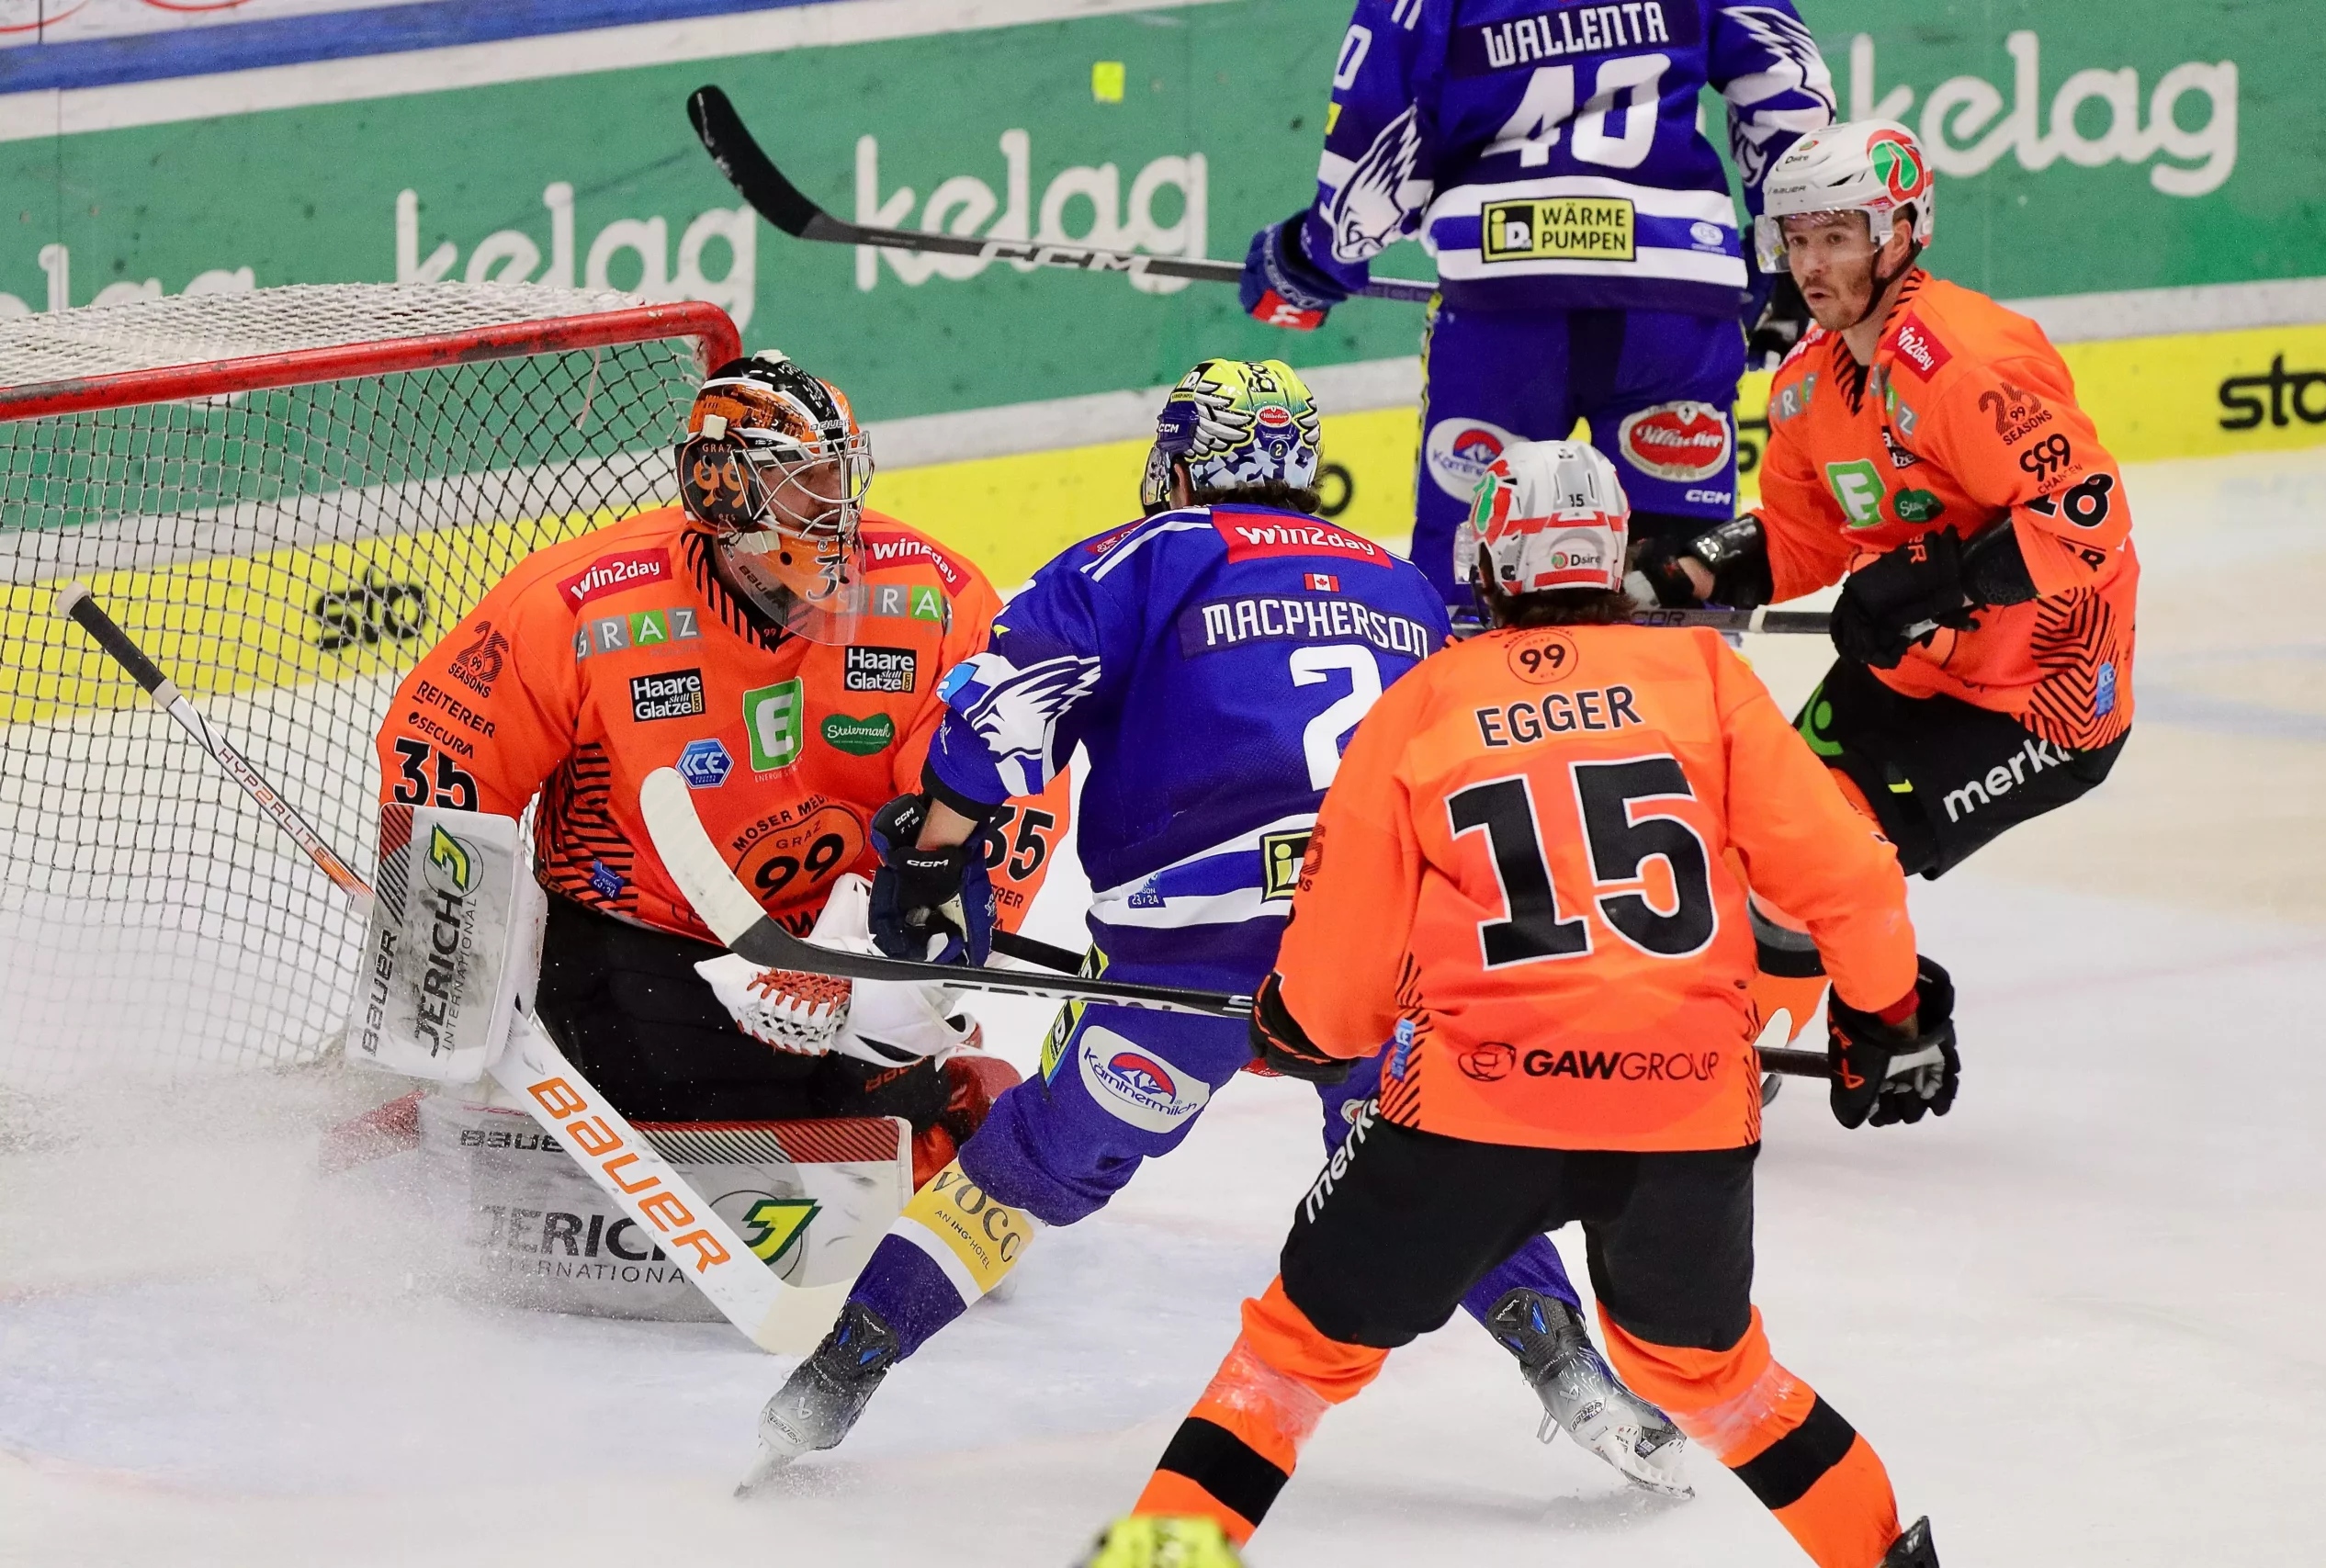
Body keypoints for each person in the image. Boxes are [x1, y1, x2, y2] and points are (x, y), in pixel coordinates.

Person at [741, 365, 1688, 1495]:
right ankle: (1576, 1379)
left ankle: (839, 1373)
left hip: (1191, 939)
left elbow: (1002, 717)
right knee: (1433, 1162)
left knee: (1041, 1159)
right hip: (1385, 940)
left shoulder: (1136, 556)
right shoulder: (1402, 582)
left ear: (1186, 457)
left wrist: (936, 853)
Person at [1094, 436, 1956, 1568]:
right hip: (1686, 1113)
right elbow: (1847, 883)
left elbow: (1340, 982)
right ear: (1610, 558)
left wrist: (1298, 1026)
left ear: (1491, 561)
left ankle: (1159, 1563)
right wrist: (1887, 1019)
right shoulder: (1703, 677)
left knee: (1294, 1357)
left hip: (1470, 1115)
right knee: (1711, 1374)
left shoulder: (1424, 703)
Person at [373, 351, 1060, 1176]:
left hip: (842, 937)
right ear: (725, 490)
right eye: (805, 483)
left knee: (874, 1127)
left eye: (842, 478)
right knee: (713, 1130)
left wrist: (909, 952)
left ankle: (892, 1078)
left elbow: (1016, 773)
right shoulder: (588, 603)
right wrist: (461, 930)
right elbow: (445, 746)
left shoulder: (931, 595)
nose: (837, 511)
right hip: (644, 942)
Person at [1627, 119, 2135, 1045]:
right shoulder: (1808, 384)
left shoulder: (1966, 361)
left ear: (1899, 234)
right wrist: (1694, 567)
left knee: (1807, 872)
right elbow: (1801, 533)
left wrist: (1928, 585)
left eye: (1838, 237)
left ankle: (1785, 1052)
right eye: (1799, 239)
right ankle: (1736, 1047)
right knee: (1748, 834)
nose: (1813, 264)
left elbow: (2087, 519)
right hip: (1906, 666)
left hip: (2034, 704)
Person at [1237, 0, 1834, 623]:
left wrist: (1310, 262)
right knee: (1674, 588)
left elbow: (1377, 136)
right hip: (1674, 306)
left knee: (1471, 589)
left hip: (1503, 307)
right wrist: (1782, 249)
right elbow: (1784, 77)